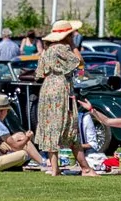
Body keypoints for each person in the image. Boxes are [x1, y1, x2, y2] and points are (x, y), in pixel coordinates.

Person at [34, 21, 86, 173]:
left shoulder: (47, 50)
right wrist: (74, 46)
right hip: (60, 87)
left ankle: (54, 167)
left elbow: (40, 73)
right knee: (67, 121)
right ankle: (84, 167)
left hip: (47, 87)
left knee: (50, 124)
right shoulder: (63, 48)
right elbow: (80, 62)